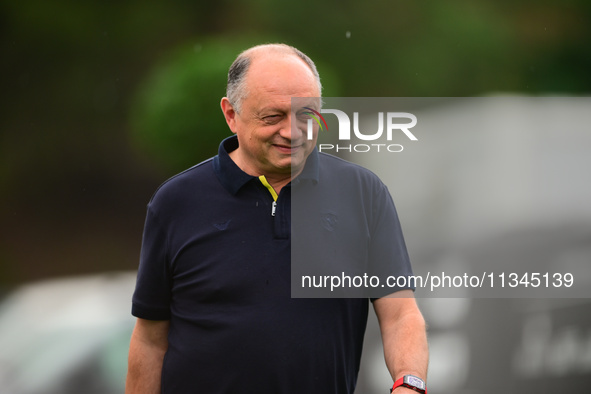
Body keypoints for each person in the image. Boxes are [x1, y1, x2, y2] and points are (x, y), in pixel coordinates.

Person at [126, 43, 428, 394]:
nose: (293, 131)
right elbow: (150, 340)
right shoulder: (176, 202)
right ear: (231, 114)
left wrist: (409, 383)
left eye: (306, 115)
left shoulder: (363, 194)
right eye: (273, 117)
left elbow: (401, 314)